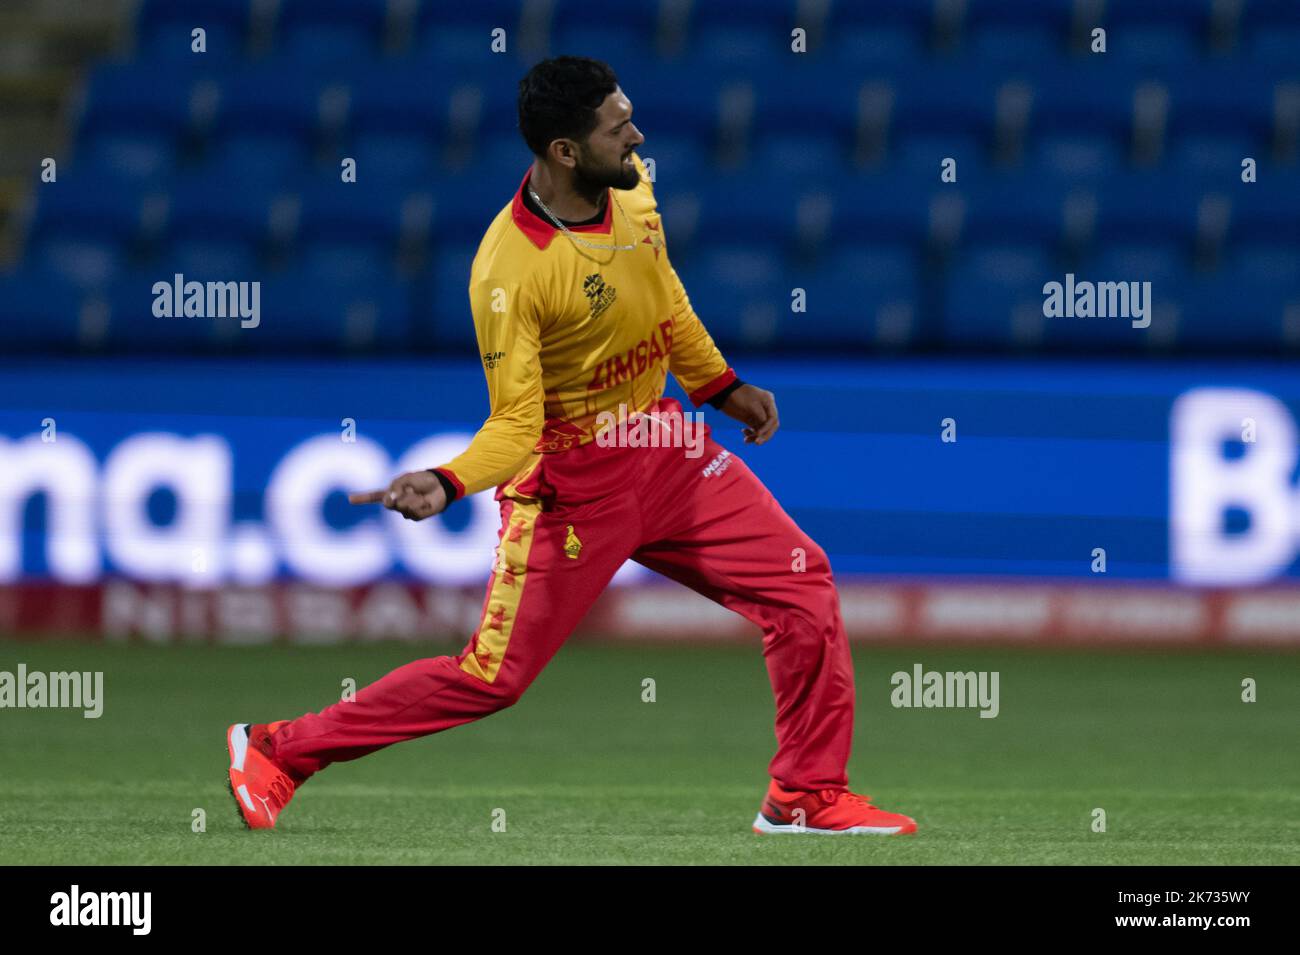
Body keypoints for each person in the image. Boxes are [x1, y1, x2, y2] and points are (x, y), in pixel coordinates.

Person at [226, 56, 916, 837]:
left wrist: (717, 385)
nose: (637, 137)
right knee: (492, 677)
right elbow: (515, 426)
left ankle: (804, 795)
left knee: (801, 583)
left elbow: (664, 292)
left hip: (665, 443)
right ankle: (277, 748)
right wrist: (450, 482)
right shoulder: (510, 271)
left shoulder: (633, 185)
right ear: (564, 150)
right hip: (576, 481)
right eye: (619, 127)